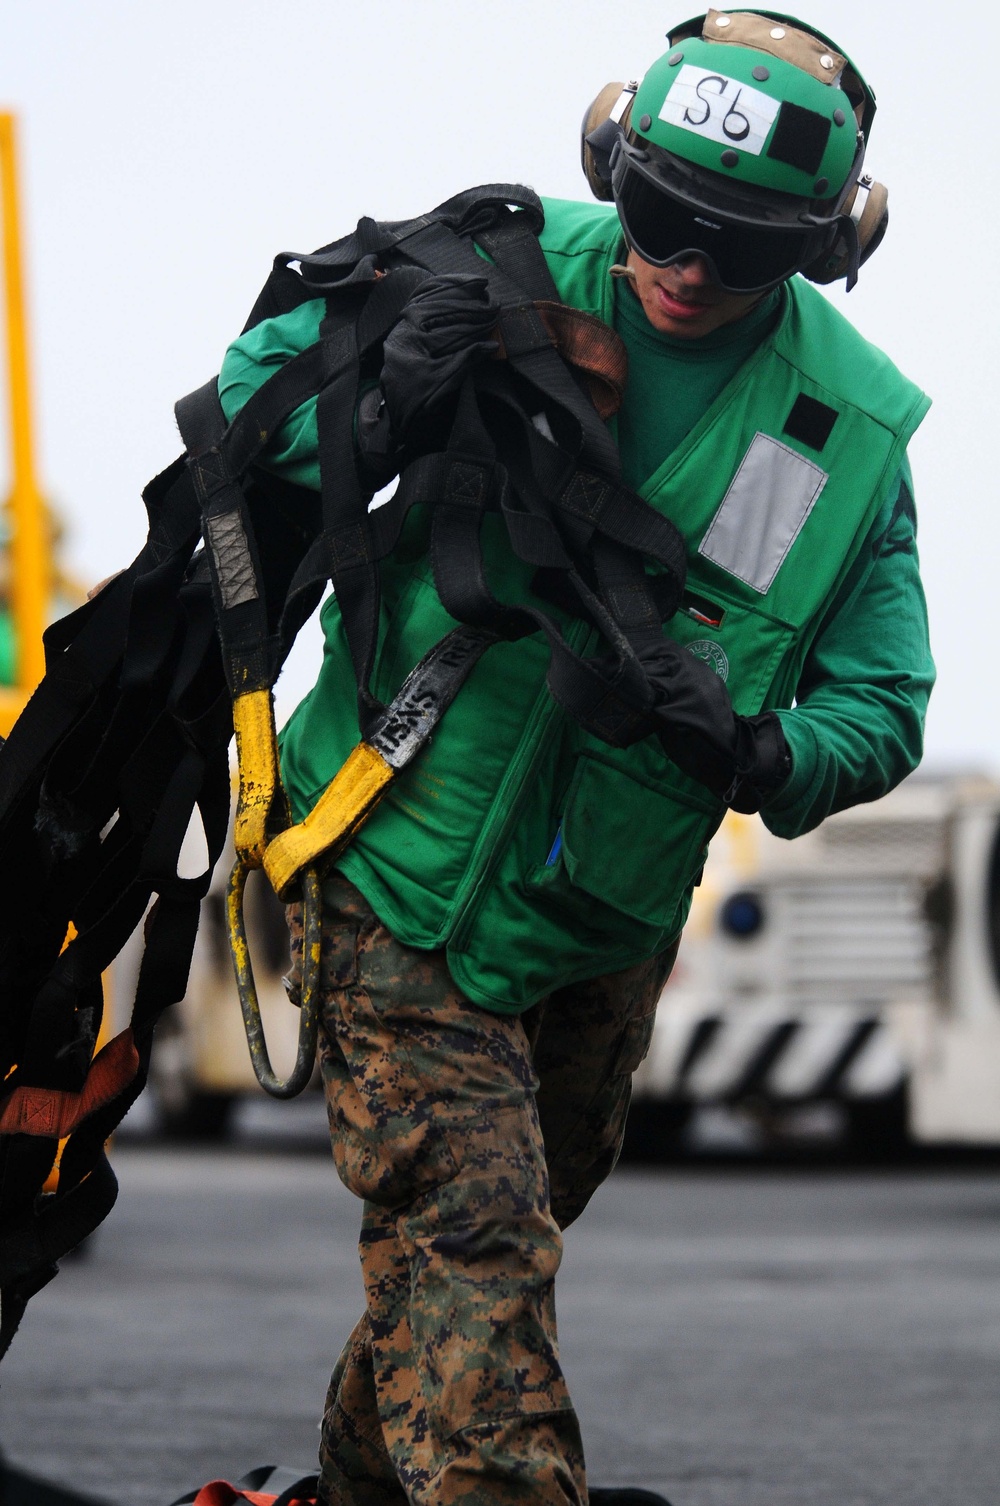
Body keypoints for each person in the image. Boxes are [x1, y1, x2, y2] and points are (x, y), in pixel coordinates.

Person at [217, 11, 934, 1505]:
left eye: (736, 248)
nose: (684, 265)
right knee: (475, 1245)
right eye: (663, 217)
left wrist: (757, 745)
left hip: (601, 926)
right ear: (617, 160)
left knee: (466, 1266)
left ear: (825, 241)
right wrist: (373, 400)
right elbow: (244, 427)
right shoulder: (496, 263)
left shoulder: (851, 431)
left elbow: (882, 700)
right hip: (395, 862)